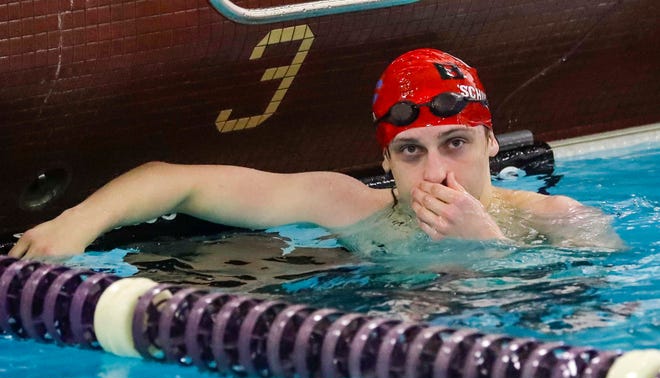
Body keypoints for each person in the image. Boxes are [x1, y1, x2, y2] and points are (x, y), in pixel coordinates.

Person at [9, 48, 623, 259]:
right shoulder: (348, 205)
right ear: (385, 161)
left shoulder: (563, 221)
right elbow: (175, 181)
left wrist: (484, 246)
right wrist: (75, 222)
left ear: (492, 142)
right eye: (410, 151)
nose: (436, 173)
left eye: (456, 143)